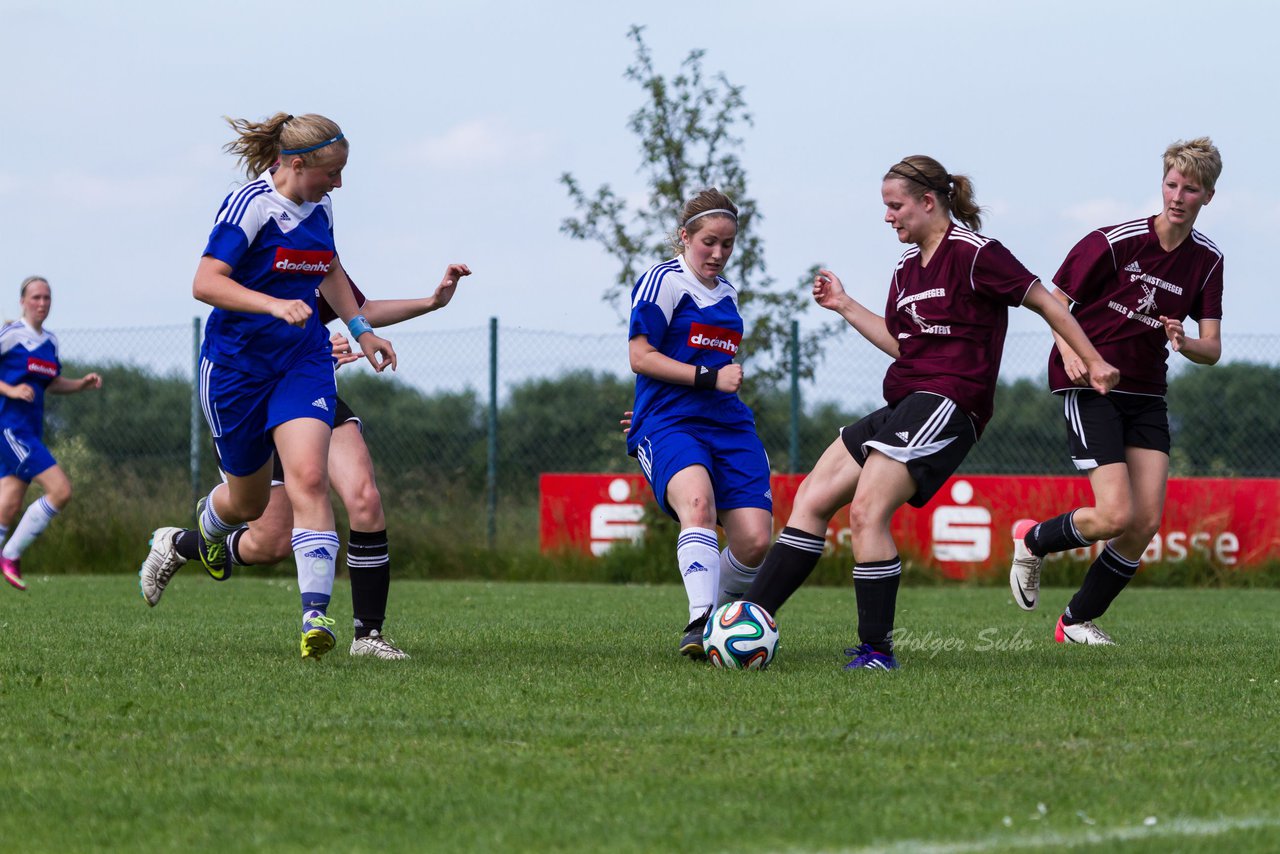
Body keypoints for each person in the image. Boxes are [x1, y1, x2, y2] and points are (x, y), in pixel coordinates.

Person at [739, 155, 1120, 670]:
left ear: (927, 201)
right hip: (907, 400)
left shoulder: (977, 253)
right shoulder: (904, 268)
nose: (888, 216)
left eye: (895, 206)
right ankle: (748, 623)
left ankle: (876, 652)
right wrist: (846, 305)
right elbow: (904, 346)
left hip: (950, 403)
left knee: (867, 511)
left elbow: (1048, 303)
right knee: (811, 497)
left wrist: (1092, 358)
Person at [146, 112, 396, 659]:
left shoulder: (321, 207)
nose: (339, 184)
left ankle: (315, 618)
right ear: (297, 163)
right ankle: (199, 530)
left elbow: (329, 269)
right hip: (236, 370)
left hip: (301, 362)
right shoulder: (251, 205)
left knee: (309, 478)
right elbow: (205, 282)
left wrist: (362, 329)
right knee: (248, 502)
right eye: (332, 172)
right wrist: (271, 303)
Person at [139, 265, 472, 660]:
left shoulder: (317, 249)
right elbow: (216, 296)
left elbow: (360, 309)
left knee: (364, 496)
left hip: (309, 394)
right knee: (271, 542)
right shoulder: (255, 241)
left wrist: (431, 303)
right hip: (251, 397)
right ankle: (181, 543)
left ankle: (368, 635)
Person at [1008, 138, 1223, 645]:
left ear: (1207, 197)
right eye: (1171, 184)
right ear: (1162, 183)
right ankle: (1032, 539)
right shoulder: (1113, 242)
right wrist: (1074, 356)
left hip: (1147, 394)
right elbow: (1053, 304)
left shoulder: (1207, 261)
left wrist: (1183, 340)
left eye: (1190, 189)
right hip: (1089, 386)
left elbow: (1211, 348)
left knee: (1144, 522)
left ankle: (1075, 620)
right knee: (1114, 514)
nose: (1177, 196)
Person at [626, 188, 773, 659]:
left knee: (754, 540)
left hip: (727, 426)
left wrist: (714, 382)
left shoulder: (728, 293)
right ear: (685, 236)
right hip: (671, 423)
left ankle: (721, 620)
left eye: (728, 244)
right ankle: (700, 620)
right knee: (697, 502)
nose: (718, 253)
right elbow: (640, 356)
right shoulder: (662, 281)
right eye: (709, 241)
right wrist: (707, 379)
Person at [0, 276, 102, 590]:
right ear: (22, 301)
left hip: (30, 430)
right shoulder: (12, 335)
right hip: (11, 430)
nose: (42, 303)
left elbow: (52, 383)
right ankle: (11, 555)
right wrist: (11, 390)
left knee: (9, 503)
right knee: (61, 490)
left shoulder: (51, 342)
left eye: (47, 298)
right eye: (35, 298)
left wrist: (81, 385)